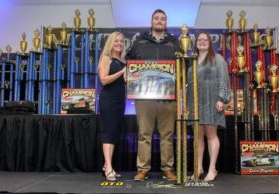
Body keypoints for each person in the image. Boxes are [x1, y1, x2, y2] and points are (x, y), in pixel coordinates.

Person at [126, 9, 179, 181]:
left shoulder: (174, 42)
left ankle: (168, 169)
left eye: (162, 19)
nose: (159, 21)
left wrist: (179, 77)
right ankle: (142, 169)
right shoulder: (139, 41)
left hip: (168, 97)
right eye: (156, 18)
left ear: (166, 23)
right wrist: (128, 76)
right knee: (144, 134)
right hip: (144, 98)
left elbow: (183, 66)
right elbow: (128, 62)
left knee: (167, 135)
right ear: (151, 22)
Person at [187, 32, 231, 182]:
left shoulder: (218, 59)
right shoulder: (192, 60)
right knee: (197, 137)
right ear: (196, 43)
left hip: (212, 101)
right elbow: (188, 84)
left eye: (205, 40)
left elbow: (224, 79)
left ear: (210, 43)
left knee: (211, 135)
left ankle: (212, 169)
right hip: (195, 103)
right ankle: (198, 168)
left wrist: (222, 99)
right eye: (200, 40)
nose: (202, 42)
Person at [98, 31, 126, 181]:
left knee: (113, 134)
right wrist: (122, 72)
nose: (119, 43)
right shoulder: (106, 58)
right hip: (108, 101)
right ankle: (109, 167)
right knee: (108, 134)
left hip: (119, 101)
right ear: (111, 43)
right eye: (116, 41)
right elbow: (103, 80)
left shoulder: (122, 61)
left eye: (121, 41)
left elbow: (126, 80)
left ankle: (106, 165)